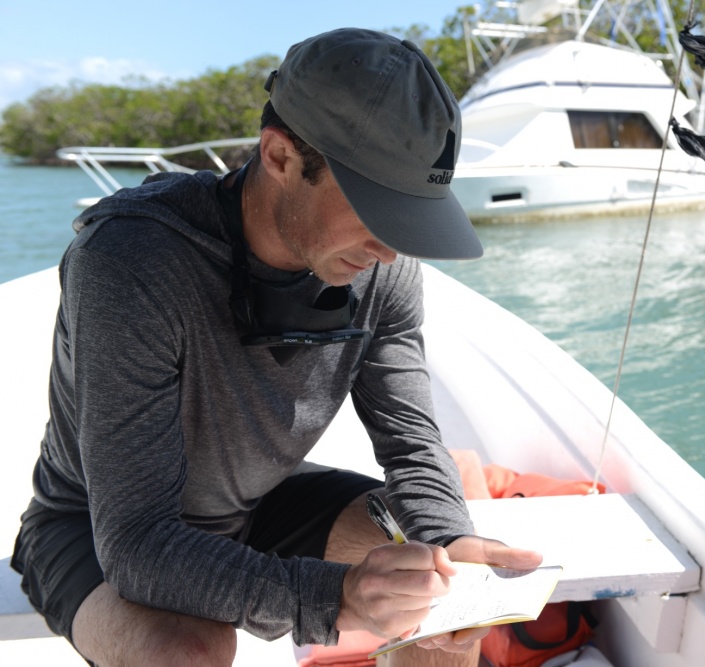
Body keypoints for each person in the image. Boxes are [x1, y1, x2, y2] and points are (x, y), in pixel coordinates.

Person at [10, 28, 542, 667]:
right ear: (280, 155)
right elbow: (138, 542)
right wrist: (335, 597)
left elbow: (411, 440)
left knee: (440, 593)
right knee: (187, 652)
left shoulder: (384, 270)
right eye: (377, 210)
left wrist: (449, 539)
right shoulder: (132, 263)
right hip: (94, 525)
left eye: (408, 215)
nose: (391, 249)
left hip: (256, 497)